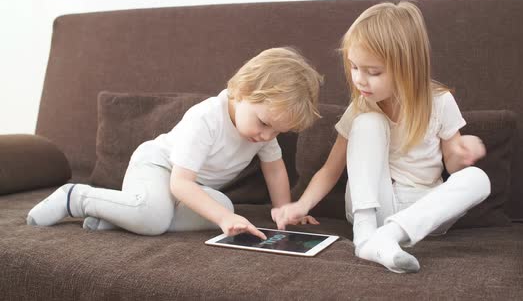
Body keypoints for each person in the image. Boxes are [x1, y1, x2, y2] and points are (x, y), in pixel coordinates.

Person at [272, 2, 490, 273]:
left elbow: (453, 166)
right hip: (372, 208)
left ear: (407, 68)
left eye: (373, 72)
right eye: (354, 67)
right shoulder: (361, 106)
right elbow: (331, 169)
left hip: (422, 211)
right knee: (367, 122)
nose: (360, 80)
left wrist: (462, 153)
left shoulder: (440, 102)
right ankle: (365, 238)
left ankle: (388, 238)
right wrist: (300, 205)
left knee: (479, 179)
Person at [27, 47, 323, 240]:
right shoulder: (207, 118)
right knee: (166, 218)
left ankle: (122, 218)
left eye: (277, 132)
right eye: (264, 124)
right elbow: (181, 183)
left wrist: (284, 209)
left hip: (188, 191)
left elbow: (274, 167)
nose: (267, 136)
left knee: (225, 205)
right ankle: (76, 198)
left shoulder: (262, 134)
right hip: (157, 168)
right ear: (242, 91)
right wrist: (223, 219)